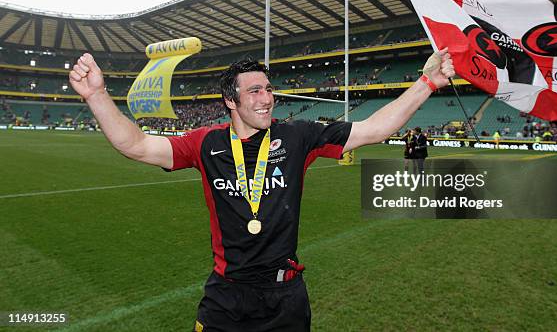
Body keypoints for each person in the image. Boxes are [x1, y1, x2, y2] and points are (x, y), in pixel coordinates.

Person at [68, 49, 454, 331]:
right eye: (254, 91)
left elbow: (374, 129)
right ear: (229, 101)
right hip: (227, 297)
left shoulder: (299, 136)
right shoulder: (205, 143)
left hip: (285, 300)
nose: (266, 97)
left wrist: (427, 83)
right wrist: (96, 95)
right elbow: (135, 144)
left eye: (268, 89)